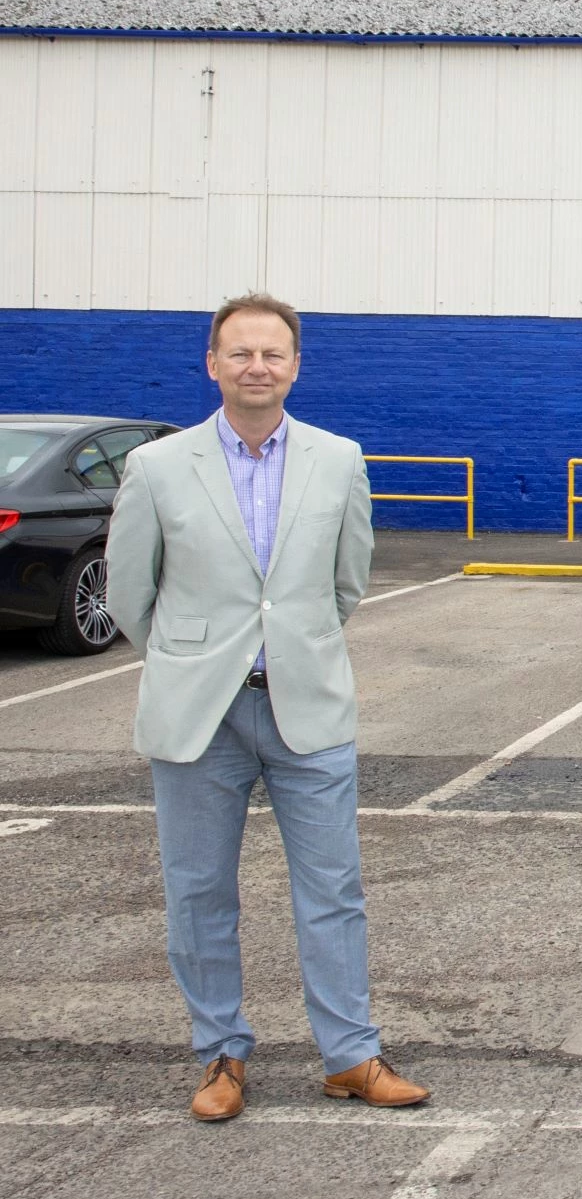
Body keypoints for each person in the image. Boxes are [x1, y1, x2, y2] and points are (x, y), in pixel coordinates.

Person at [105, 293, 429, 1122]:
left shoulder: (338, 459)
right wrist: (195, 659)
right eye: (240, 353)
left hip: (305, 708)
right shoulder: (158, 467)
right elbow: (131, 594)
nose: (257, 367)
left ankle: (350, 1055)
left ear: (295, 365)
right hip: (198, 716)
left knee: (334, 887)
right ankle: (220, 1052)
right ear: (212, 364)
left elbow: (345, 584)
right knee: (198, 890)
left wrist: (290, 646)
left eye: (272, 354)